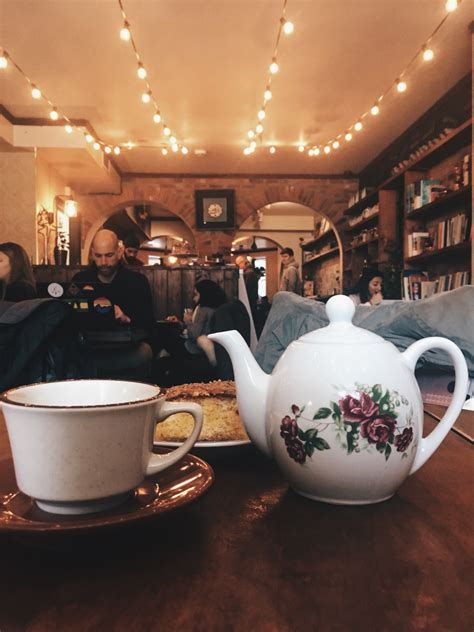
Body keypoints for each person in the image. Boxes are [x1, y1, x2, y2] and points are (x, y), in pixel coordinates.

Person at [72, 229, 154, 378]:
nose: (103, 262)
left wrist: (126, 319)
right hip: (90, 347)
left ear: (119, 252)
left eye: (109, 255)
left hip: (127, 348)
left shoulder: (137, 282)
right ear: (92, 253)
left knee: (144, 351)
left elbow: (149, 324)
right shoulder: (80, 280)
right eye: (98, 256)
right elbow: (70, 319)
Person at [235, 255, 259, 322]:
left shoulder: (249, 273)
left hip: (249, 302)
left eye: (238, 265)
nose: (238, 267)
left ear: (242, 263)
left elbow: (247, 290)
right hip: (252, 301)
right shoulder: (250, 272)